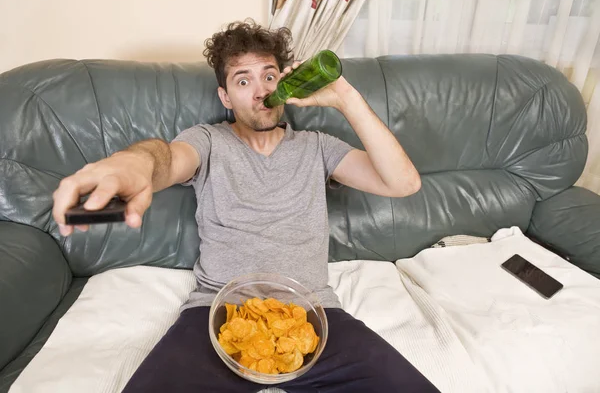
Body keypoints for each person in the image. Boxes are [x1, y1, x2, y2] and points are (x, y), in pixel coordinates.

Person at [52, 20, 438, 393]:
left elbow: (403, 183)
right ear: (225, 96)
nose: (260, 91)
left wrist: (345, 99)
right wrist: (135, 162)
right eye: (243, 80)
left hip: (314, 313)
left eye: (269, 76)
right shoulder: (207, 140)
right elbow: (166, 158)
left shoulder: (318, 147)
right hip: (217, 313)